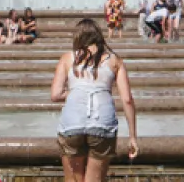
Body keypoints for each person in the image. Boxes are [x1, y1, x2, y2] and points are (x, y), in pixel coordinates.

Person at [51, 19, 139, 182]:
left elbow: (55, 94)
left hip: (72, 123)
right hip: (102, 123)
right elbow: (127, 99)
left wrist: (73, 92)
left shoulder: (67, 59)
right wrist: (132, 136)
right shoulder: (115, 61)